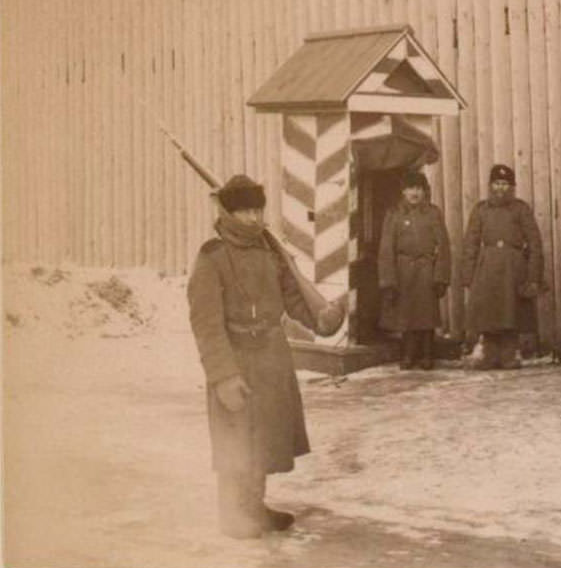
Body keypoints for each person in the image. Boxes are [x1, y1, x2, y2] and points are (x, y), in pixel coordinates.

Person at [187, 174, 344, 539]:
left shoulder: (270, 253)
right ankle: (233, 516)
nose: (255, 218)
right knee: (236, 440)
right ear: (227, 213)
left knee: (266, 440)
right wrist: (223, 375)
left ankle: (254, 506)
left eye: (258, 209)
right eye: (245, 211)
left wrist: (324, 318)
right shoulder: (211, 257)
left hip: (272, 358)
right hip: (236, 359)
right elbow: (206, 325)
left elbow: (294, 300)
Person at [462, 164, 545, 369]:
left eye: (505, 184)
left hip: (513, 267)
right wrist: (469, 275)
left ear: (512, 187)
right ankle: (489, 354)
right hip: (487, 267)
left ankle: (509, 353)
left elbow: (535, 243)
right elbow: (470, 243)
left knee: (511, 310)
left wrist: (533, 277)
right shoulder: (481, 210)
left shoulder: (520, 209)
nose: (501, 188)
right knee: (489, 312)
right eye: (497, 183)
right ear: (490, 186)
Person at [378, 169, 452, 370]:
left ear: (424, 191)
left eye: (419, 188)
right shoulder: (394, 214)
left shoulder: (433, 213)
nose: (415, 193)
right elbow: (386, 249)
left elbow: (443, 246)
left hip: (426, 269)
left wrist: (441, 277)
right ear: (403, 191)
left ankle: (428, 355)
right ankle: (408, 354)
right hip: (403, 271)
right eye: (410, 188)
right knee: (406, 316)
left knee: (427, 315)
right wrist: (388, 281)